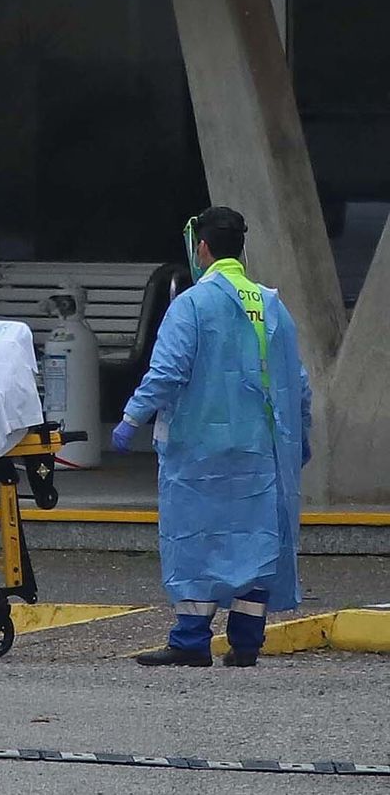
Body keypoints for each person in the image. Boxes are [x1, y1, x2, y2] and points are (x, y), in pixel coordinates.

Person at [111, 206, 311, 668]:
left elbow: (168, 372)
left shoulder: (192, 305)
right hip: (262, 447)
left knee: (195, 539)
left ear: (201, 248)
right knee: (257, 538)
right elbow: (297, 381)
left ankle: (190, 640)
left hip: (199, 448)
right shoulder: (270, 303)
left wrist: (130, 418)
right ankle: (245, 642)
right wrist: (302, 435)